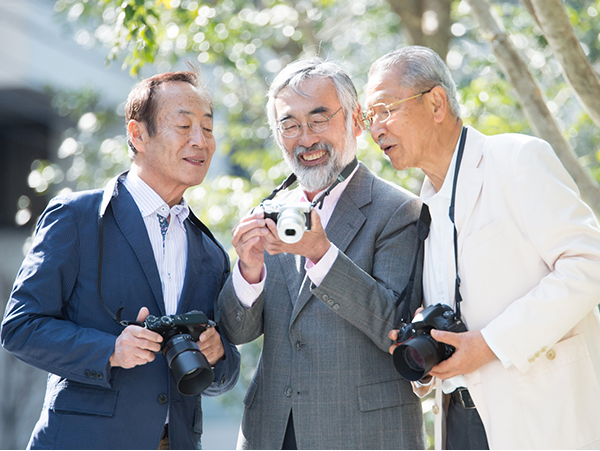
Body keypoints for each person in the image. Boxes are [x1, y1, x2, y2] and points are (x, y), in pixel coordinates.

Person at [365, 45, 600, 450]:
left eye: (386, 110)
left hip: (541, 418)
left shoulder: (518, 159)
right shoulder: (421, 210)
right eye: (370, 118)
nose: (376, 129)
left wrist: (490, 344)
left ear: (436, 103)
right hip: (457, 422)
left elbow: (587, 264)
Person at [1, 70, 240, 449]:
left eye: (208, 128)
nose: (201, 141)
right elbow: (19, 328)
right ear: (137, 134)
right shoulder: (76, 217)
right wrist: (110, 350)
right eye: (184, 125)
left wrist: (218, 353)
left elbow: (225, 374)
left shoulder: (209, 250)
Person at [217, 57, 425, 450]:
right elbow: (237, 331)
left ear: (356, 120)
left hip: (364, 436)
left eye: (319, 119)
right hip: (273, 434)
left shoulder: (399, 210)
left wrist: (321, 254)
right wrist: (248, 270)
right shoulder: (271, 211)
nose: (306, 138)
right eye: (290, 124)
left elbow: (395, 327)